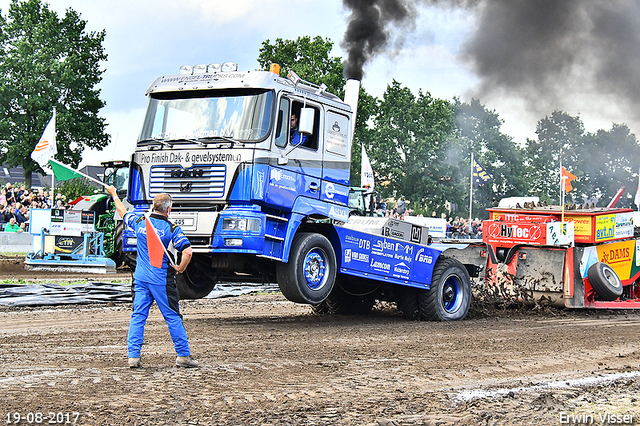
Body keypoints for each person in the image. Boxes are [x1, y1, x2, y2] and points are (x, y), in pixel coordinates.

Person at [106, 185, 198, 369]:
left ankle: (133, 357)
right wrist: (180, 268)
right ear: (169, 210)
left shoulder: (140, 221)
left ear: (154, 207)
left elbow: (123, 212)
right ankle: (183, 356)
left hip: (140, 278)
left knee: (138, 315)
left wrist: (115, 194)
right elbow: (188, 252)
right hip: (161, 280)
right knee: (172, 317)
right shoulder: (172, 229)